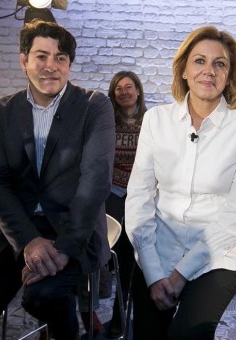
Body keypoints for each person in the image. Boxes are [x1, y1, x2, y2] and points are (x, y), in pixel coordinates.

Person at [0, 20, 115, 339]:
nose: (50, 66)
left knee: (43, 296)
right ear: (23, 60)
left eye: (60, 58)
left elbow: (95, 181)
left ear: (69, 65)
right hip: (15, 226)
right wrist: (28, 240)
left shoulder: (94, 106)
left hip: (72, 227)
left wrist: (65, 248)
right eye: (41, 56)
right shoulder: (1, 111)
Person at [125, 26, 236, 339]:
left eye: (220, 64)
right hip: (157, 250)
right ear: (184, 69)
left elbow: (235, 217)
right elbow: (139, 198)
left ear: (229, 75)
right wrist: (154, 271)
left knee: (188, 335)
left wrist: (178, 276)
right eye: (199, 61)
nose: (209, 71)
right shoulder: (156, 120)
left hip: (216, 256)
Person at [105, 70, 148, 338]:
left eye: (128, 87)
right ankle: (107, 311)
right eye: (118, 88)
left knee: (130, 255)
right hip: (112, 192)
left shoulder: (150, 121)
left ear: (138, 91)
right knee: (112, 253)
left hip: (140, 194)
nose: (123, 92)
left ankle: (121, 315)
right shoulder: (106, 120)